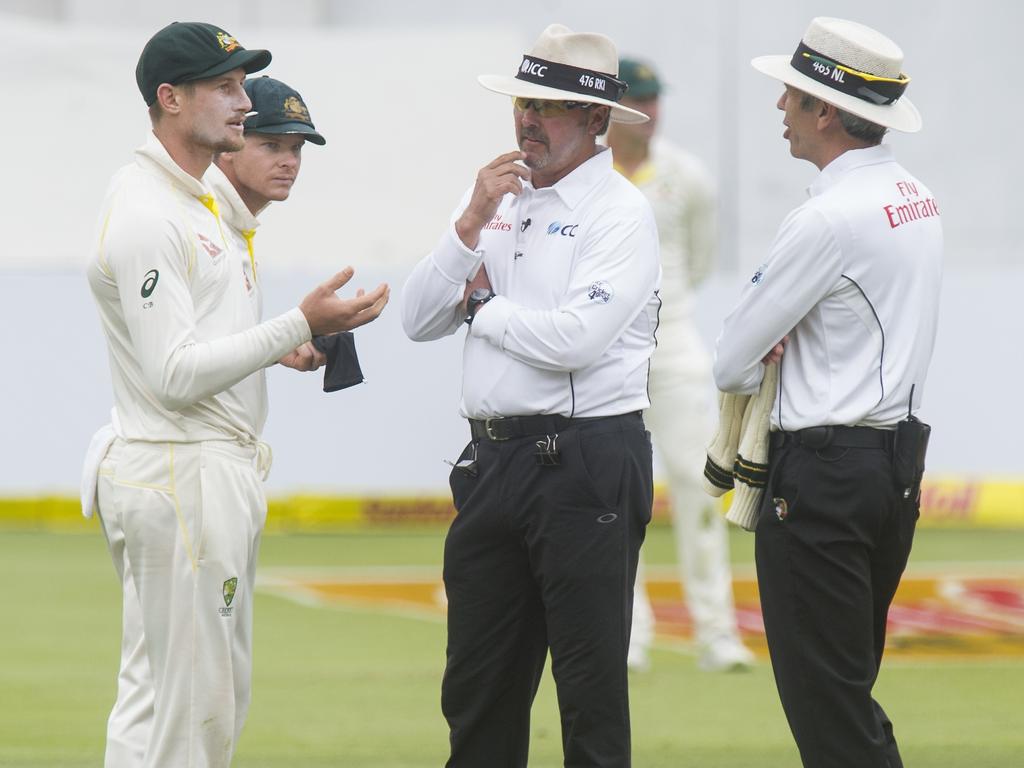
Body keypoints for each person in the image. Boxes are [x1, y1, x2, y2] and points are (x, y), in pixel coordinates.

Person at [84, 22, 388, 767]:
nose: (244, 103)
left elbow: (195, 343)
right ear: (170, 98)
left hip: (195, 468)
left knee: (164, 700)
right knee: (199, 712)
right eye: (224, 87)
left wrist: (282, 344)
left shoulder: (197, 205)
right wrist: (298, 320)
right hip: (184, 473)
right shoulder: (154, 210)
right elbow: (174, 375)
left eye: (242, 84)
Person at [401, 23, 660, 768]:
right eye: (523, 101)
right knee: (476, 689)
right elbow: (419, 318)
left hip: (584, 463)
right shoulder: (495, 195)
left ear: (596, 120)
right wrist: (468, 223)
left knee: (589, 694)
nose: (527, 119)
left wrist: (483, 309)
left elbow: (575, 340)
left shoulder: (620, 211)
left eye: (548, 105)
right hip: (492, 464)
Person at [714, 17, 942, 767]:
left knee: (830, 711)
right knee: (847, 690)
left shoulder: (825, 217)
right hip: (891, 465)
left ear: (824, 110)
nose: (781, 105)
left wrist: (774, 340)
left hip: (823, 474)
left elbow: (732, 361)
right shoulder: (916, 197)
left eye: (794, 93)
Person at [607, 57, 754, 673]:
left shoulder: (686, 175)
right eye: (638, 99)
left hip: (673, 350)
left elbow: (696, 262)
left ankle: (716, 634)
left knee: (697, 488)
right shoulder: (589, 176)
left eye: (655, 97)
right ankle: (629, 634)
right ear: (611, 109)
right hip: (606, 358)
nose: (651, 110)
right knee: (619, 495)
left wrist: (664, 318)